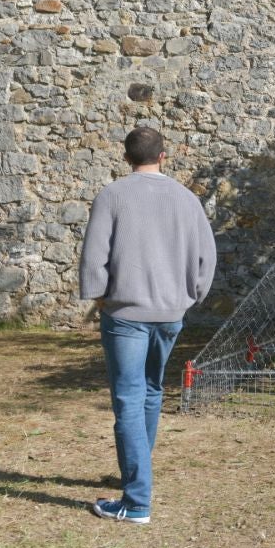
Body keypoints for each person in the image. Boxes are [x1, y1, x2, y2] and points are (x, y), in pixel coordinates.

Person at [79, 127, 217, 524]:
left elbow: (93, 256)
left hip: (125, 314)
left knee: (128, 398)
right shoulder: (187, 199)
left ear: (126, 158)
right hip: (170, 314)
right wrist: (191, 297)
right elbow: (207, 258)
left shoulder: (112, 195)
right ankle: (137, 471)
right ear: (163, 156)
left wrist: (99, 296)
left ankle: (137, 501)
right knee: (151, 390)